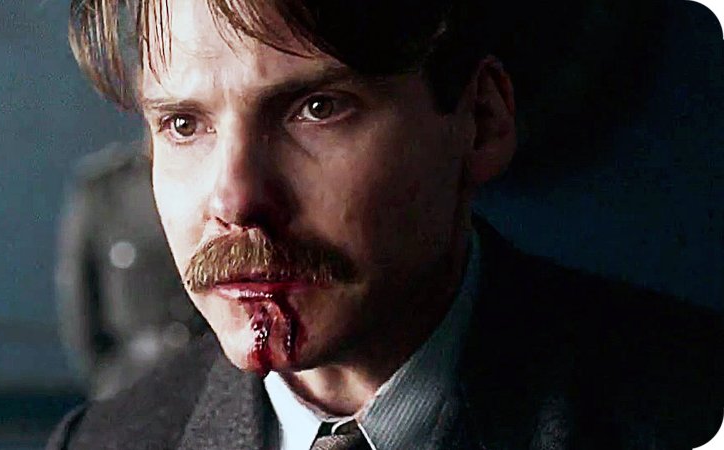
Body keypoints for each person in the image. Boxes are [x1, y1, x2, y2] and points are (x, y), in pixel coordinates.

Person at [49, 0, 723, 448]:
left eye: (318, 108)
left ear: (481, 121)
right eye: (182, 124)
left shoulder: (690, 408)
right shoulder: (102, 443)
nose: (236, 200)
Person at [55, 140, 209, 400]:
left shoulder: (214, 183)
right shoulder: (107, 189)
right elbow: (80, 301)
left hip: (210, 376)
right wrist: (107, 380)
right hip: (133, 379)